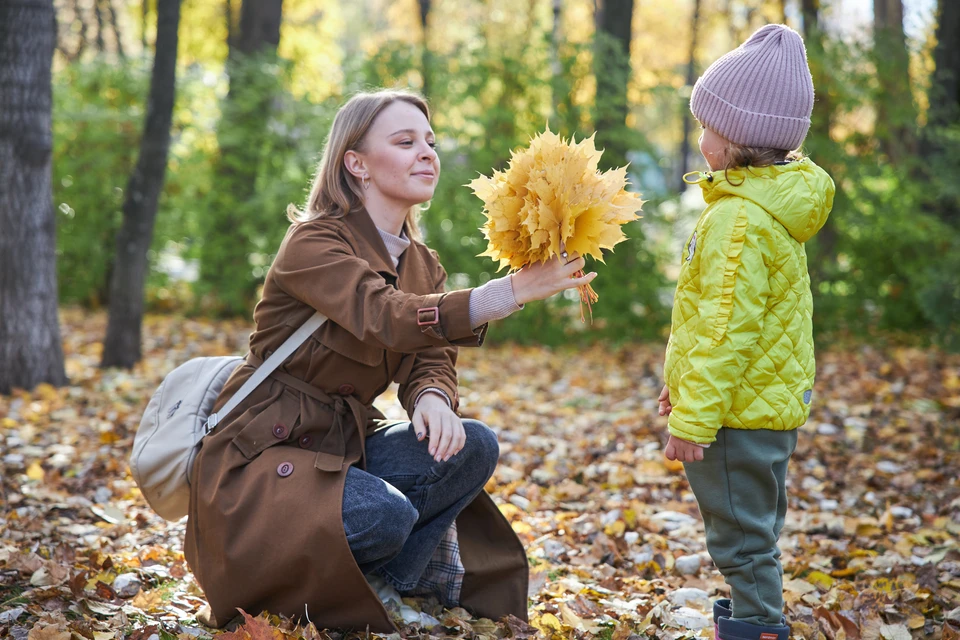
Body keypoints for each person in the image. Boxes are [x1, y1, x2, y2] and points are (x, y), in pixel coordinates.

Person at [184, 89, 596, 631]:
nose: (426, 152)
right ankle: (292, 584)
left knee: (472, 446)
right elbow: (385, 315)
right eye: (404, 142)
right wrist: (510, 292)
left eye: (430, 141)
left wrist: (431, 398)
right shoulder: (313, 243)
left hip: (341, 453)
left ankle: (385, 586)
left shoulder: (424, 263)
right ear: (355, 163)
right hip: (260, 463)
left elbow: (428, 354)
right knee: (384, 512)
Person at [658, 24, 835, 640]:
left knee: (740, 539)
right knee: (751, 529)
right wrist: (678, 387)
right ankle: (749, 616)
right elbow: (718, 321)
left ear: (732, 140)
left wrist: (694, 419)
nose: (700, 138)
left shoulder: (737, 219)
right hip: (757, 408)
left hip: (736, 416)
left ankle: (758, 628)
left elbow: (724, 330)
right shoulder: (766, 208)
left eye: (707, 127)